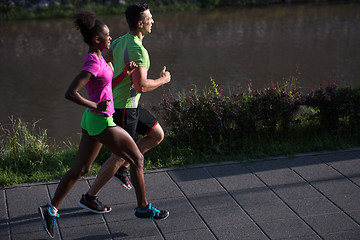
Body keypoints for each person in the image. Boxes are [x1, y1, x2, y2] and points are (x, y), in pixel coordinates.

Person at [38, 9, 168, 239]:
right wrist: (94, 104)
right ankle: (143, 208)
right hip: (100, 120)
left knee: (81, 168)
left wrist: (122, 75)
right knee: (136, 158)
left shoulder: (99, 57)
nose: (111, 38)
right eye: (107, 35)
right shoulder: (93, 63)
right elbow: (70, 92)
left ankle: (51, 209)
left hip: (92, 120)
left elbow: (105, 84)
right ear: (97, 39)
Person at [100, 3, 171, 190]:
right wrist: (163, 80)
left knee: (157, 135)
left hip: (131, 105)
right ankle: (90, 196)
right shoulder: (138, 50)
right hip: (125, 108)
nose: (153, 21)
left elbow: (101, 60)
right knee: (120, 155)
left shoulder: (119, 41)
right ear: (140, 23)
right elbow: (141, 86)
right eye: (149, 19)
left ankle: (122, 169)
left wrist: (114, 75)